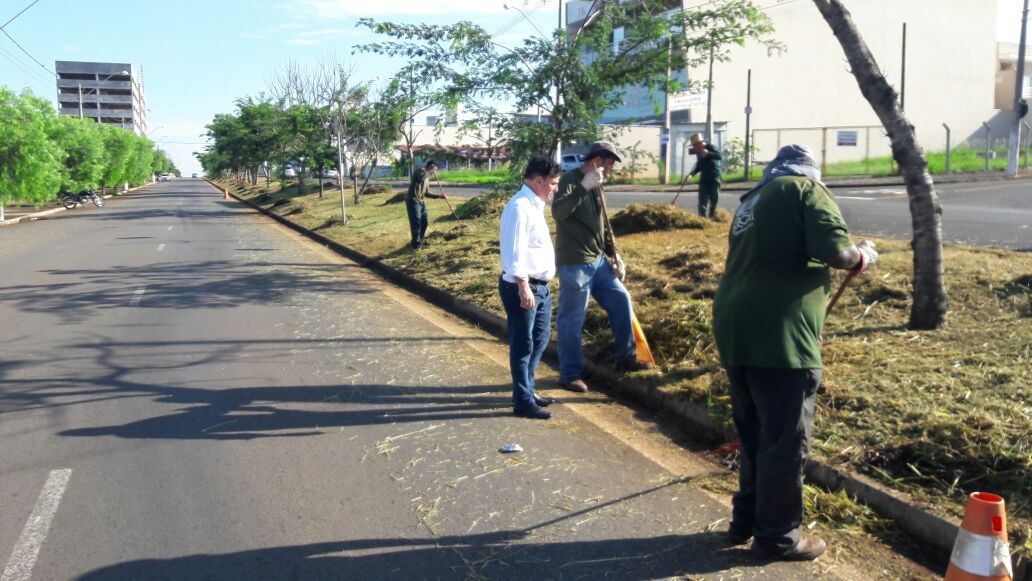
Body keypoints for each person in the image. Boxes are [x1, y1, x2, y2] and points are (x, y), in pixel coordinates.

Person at [712, 144, 879, 562]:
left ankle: (746, 521)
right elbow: (839, 254)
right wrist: (863, 255)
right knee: (785, 441)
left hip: (737, 328)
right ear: (810, 171)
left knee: (753, 435)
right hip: (781, 336)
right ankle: (778, 536)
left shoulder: (753, 199)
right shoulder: (806, 190)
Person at [552, 141, 653, 393]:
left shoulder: (597, 185)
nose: (610, 169)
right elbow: (558, 212)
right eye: (608, 163)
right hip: (575, 262)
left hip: (598, 262)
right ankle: (570, 374)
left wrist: (614, 254)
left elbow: (601, 225)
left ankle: (625, 357)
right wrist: (582, 189)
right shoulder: (570, 180)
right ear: (596, 160)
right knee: (572, 320)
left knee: (622, 300)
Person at [498, 156, 564, 420]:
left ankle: (528, 389)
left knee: (540, 339)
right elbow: (514, 253)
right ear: (539, 181)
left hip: (540, 287)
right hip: (522, 287)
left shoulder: (534, 206)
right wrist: (524, 287)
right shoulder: (520, 208)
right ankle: (522, 401)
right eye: (554, 183)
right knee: (523, 344)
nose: (555, 189)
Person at [405, 160, 447, 249]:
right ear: (432, 166)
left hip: (421, 202)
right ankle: (416, 245)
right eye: (435, 168)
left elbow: (426, 193)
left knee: (424, 223)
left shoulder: (427, 177)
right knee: (416, 223)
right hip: (413, 200)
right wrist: (430, 171)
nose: (435, 170)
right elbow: (421, 178)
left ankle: (417, 241)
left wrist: (439, 196)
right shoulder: (420, 171)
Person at [688, 133, 723, 219]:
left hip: (714, 177)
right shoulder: (698, 152)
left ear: (699, 144)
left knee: (714, 198)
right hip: (704, 179)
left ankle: (712, 215)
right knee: (702, 199)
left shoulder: (711, 147)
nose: (693, 148)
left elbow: (719, 156)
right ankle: (702, 218)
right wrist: (691, 175)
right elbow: (699, 165)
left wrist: (708, 154)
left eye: (694, 146)